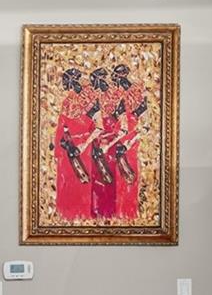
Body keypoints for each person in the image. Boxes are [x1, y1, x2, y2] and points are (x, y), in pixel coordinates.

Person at [53, 68, 98, 222]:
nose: (79, 82)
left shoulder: (91, 98)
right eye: (75, 80)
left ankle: (85, 214)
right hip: (70, 146)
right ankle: (68, 214)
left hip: (85, 146)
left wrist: (84, 144)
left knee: (85, 180)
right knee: (69, 179)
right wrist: (62, 143)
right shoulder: (67, 102)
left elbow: (98, 125)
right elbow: (62, 125)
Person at [108, 63, 146, 220]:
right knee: (120, 176)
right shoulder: (121, 95)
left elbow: (143, 120)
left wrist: (128, 141)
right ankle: (122, 211)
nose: (115, 81)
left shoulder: (136, 93)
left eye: (117, 78)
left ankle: (128, 211)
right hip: (122, 137)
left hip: (129, 139)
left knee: (128, 174)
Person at [87, 67, 121, 219]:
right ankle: (97, 212)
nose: (93, 84)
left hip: (108, 144)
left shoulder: (114, 98)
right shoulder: (95, 99)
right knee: (97, 178)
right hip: (96, 144)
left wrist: (107, 144)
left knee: (108, 176)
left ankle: (108, 212)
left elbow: (120, 124)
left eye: (94, 81)